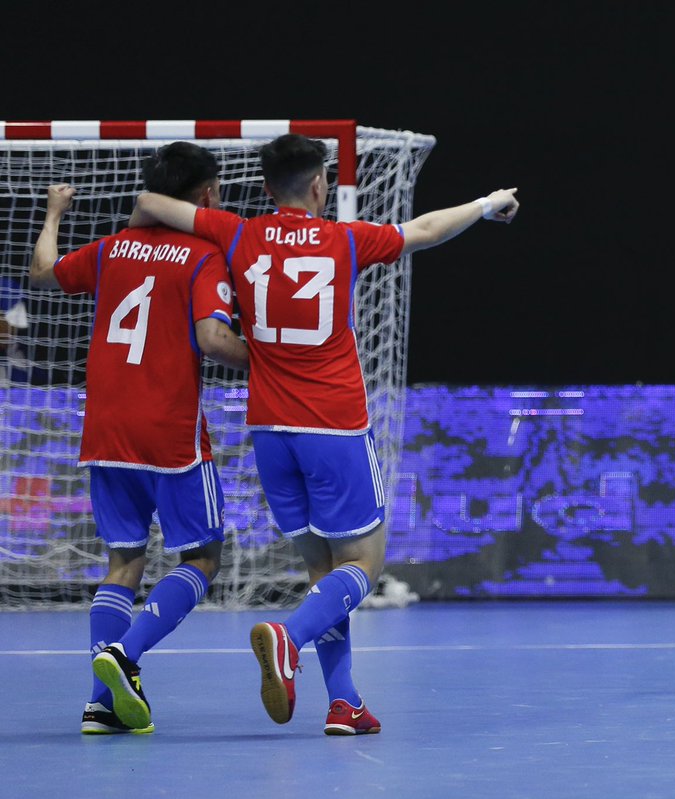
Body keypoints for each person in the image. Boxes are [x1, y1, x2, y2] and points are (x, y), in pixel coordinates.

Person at [131, 133, 519, 733]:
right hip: (333, 425)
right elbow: (427, 229)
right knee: (363, 561)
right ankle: (289, 639)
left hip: (270, 430)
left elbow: (151, 204)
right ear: (319, 185)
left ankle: (344, 702)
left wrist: (137, 240)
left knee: (324, 573)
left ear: (265, 188)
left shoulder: (237, 232)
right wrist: (488, 203)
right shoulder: (345, 239)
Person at [29, 142, 249, 734]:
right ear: (207, 195)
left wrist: (53, 215)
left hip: (105, 429)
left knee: (123, 560)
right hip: (169, 433)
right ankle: (126, 654)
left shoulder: (110, 249)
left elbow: (43, 274)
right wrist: (273, 362)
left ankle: (102, 705)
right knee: (202, 557)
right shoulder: (203, 255)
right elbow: (213, 339)